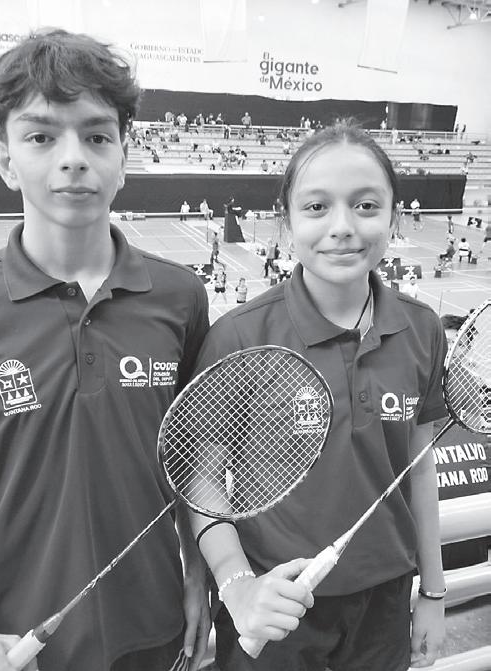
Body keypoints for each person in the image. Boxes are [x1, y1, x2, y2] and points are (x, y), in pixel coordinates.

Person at [0, 29, 211, 671]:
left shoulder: (181, 297)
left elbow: (193, 458)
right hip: (7, 642)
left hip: (151, 624)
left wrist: (198, 573)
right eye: (41, 137)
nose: (73, 158)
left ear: (124, 155)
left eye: (97, 136)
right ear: (4, 159)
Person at [188, 120, 447, 671]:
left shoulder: (423, 329)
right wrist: (238, 585)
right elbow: (202, 480)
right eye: (316, 207)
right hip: (272, 599)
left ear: (395, 218)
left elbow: (420, 467)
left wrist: (433, 590)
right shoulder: (239, 337)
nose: (343, 227)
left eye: (367, 206)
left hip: (384, 600)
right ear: (285, 224)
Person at [436, 315, 491, 570]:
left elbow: (474, 426)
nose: (450, 349)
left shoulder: (469, 383)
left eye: (456, 343)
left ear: (466, 347)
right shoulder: (423, 377)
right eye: (445, 342)